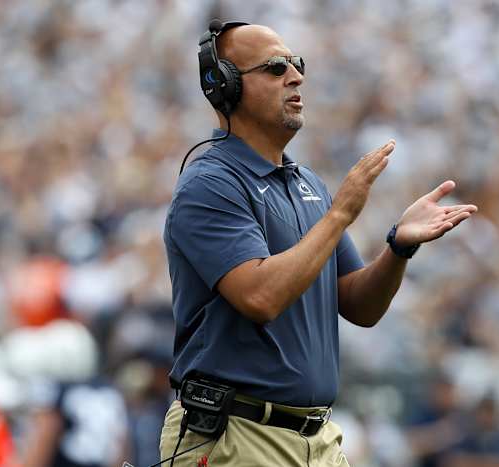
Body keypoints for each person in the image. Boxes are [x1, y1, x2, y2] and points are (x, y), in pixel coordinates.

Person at [160, 20, 478, 467]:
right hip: (238, 435)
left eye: (296, 64)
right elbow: (260, 295)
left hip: (319, 438)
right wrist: (341, 214)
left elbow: (359, 305)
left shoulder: (306, 183)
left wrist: (398, 247)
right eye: (274, 67)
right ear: (225, 85)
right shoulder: (210, 182)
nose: (296, 76)